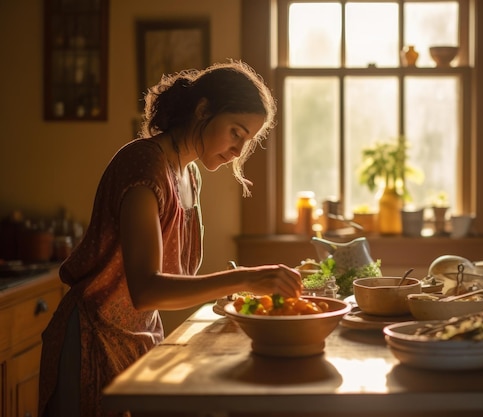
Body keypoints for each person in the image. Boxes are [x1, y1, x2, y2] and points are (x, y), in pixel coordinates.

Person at [38, 60, 303, 417]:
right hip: (90, 337)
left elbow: (174, 281)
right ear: (203, 109)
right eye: (236, 132)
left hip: (140, 336)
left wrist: (242, 287)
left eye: (248, 140)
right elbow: (147, 290)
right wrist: (247, 278)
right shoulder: (144, 165)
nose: (239, 150)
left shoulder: (189, 175)